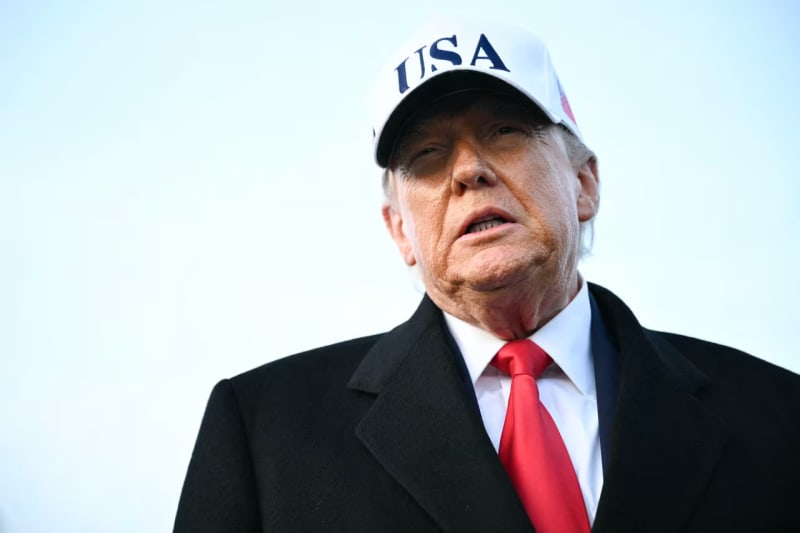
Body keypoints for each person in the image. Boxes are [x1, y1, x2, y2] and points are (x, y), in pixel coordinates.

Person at [174, 16, 800, 533]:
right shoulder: (264, 434)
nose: (469, 170)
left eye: (504, 132)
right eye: (426, 154)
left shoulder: (778, 416)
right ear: (400, 231)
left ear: (584, 184)